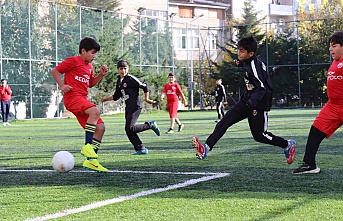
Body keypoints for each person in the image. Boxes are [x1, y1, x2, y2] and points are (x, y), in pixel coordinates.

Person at [192, 36, 296, 165]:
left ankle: (287, 144)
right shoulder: (250, 60)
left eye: (242, 51)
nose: (238, 53)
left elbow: (262, 87)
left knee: (259, 136)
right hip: (247, 100)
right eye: (238, 50)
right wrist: (240, 63)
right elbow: (252, 64)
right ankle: (205, 148)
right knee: (224, 121)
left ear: (250, 53)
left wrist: (252, 103)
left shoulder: (253, 65)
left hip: (258, 104)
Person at [51, 37, 109, 173]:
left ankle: (91, 161)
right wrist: (62, 85)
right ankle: (88, 147)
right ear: (83, 51)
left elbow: (90, 83)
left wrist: (100, 75)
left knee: (100, 128)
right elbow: (55, 71)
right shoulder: (73, 61)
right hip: (72, 97)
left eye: (95, 53)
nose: (94, 56)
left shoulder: (89, 67)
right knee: (95, 111)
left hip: (82, 98)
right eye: (92, 52)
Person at [293, 31, 343, 174]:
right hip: (333, 106)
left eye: (334, 46)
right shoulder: (336, 61)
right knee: (316, 130)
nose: (330, 49)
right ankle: (310, 164)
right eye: (330, 46)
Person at [101, 60, 160, 155]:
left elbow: (144, 85)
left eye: (125, 68)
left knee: (130, 128)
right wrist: (105, 99)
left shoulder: (130, 78)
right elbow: (116, 96)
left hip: (135, 106)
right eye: (121, 68)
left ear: (128, 69)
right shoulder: (119, 81)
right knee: (128, 130)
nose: (123, 70)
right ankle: (141, 149)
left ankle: (150, 125)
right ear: (117, 69)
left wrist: (147, 99)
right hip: (128, 107)